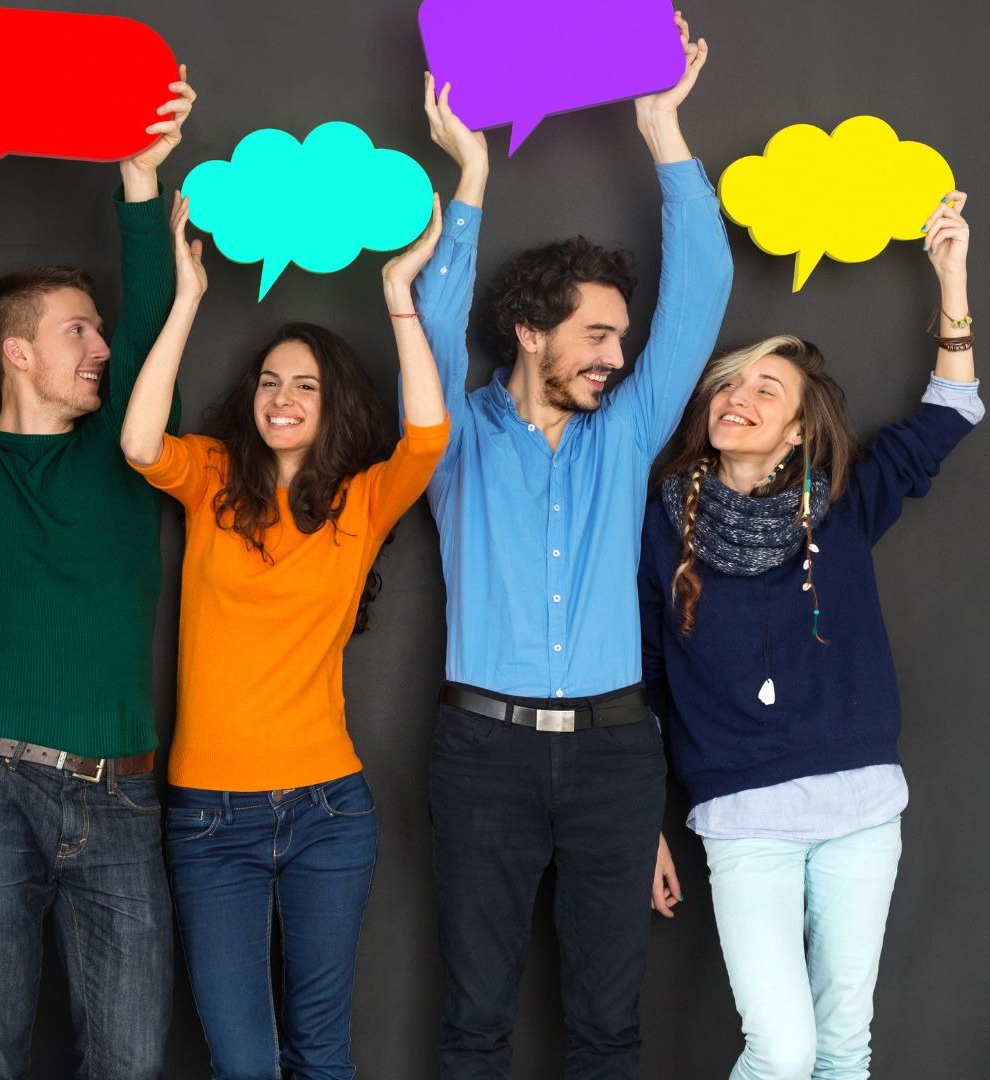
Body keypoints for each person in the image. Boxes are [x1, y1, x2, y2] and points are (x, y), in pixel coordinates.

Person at [410, 16, 734, 1078]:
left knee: (608, 1029)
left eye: (622, 340)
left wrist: (662, 131)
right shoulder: (452, 439)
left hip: (611, 756)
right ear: (531, 332)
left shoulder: (625, 435)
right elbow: (428, 311)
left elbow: (702, 299)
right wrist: (468, 177)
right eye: (598, 334)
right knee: (473, 1026)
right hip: (482, 757)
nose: (619, 355)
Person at [0, 69, 195, 1079]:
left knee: (131, 1063)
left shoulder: (124, 457)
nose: (103, 348)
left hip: (121, 796)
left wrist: (140, 187)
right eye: (79, 332)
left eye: (101, 333)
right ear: (16, 352)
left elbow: (152, 328)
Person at [640, 193, 975, 1080]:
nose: (738, 397)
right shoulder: (656, 525)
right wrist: (642, 824)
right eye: (730, 382)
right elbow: (639, 683)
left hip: (862, 810)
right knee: (782, 1052)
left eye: (765, 388)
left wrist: (952, 279)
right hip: (744, 819)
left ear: (796, 431)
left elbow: (949, 414)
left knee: (842, 1047)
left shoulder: (845, 505)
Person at [121, 192, 450, 1077]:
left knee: (322, 1054)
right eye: (270, 380)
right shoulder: (212, 476)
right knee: (243, 1065)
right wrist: (188, 297)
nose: (282, 397)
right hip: (207, 819)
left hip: (327, 813)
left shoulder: (360, 502)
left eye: (305, 384)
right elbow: (139, 440)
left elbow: (428, 434)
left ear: (333, 402)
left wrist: (396, 289)